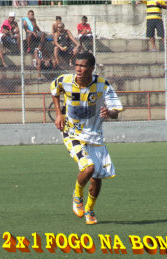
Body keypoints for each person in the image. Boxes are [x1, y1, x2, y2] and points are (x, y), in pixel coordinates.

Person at [50, 52, 123, 225]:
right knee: (89, 168)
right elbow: (54, 89)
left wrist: (109, 112)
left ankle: (90, 210)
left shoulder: (102, 85)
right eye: (76, 65)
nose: (78, 69)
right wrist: (58, 114)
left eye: (83, 66)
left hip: (94, 136)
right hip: (72, 133)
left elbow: (116, 112)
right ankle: (77, 194)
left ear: (92, 68)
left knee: (96, 178)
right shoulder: (65, 80)